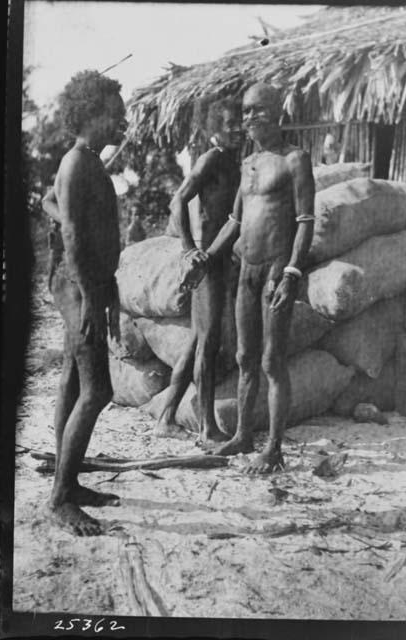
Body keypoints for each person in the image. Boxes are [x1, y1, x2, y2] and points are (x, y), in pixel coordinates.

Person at [191, 83, 315, 473]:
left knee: (271, 360)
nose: (249, 118)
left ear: (278, 111)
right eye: (245, 112)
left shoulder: (296, 159)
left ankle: (274, 449)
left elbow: (305, 220)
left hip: (277, 270)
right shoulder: (248, 163)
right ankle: (243, 435)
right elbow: (236, 220)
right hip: (247, 270)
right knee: (245, 356)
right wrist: (207, 257)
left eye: (259, 110)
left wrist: (292, 272)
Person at [43, 70, 127, 535]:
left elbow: (49, 204)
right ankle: (59, 499)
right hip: (78, 285)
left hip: (85, 283)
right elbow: (72, 234)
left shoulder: (86, 160)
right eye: (115, 115)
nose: (122, 123)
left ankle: (68, 482)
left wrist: (104, 286)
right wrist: (92, 297)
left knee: (75, 379)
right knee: (98, 390)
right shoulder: (78, 163)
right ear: (92, 113)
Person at [154, 99, 242, 445]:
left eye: (239, 122)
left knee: (195, 342)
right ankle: (207, 429)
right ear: (213, 129)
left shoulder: (232, 162)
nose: (236, 128)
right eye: (229, 123)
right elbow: (178, 199)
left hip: (218, 260)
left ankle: (165, 417)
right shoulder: (212, 158)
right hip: (207, 263)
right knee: (208, 343)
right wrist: (191, 250)